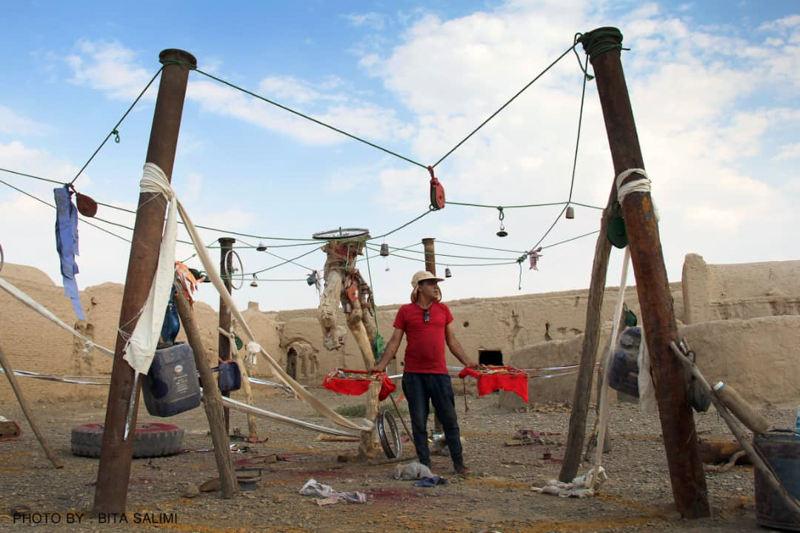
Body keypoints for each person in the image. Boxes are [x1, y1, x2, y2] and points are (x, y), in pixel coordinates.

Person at [370, 270, 478, 475]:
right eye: (430, 283)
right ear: (419, 287)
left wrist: (467, 362)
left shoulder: (443, 310)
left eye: (436, 283)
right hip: (414, 376)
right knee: (419, 421)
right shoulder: (405, 311)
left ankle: (459, 464)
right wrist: (381, 365)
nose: (436, 287)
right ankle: (425, 464)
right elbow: (394, 341)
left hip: (439, 375)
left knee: (449, 420)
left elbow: (452, 341)